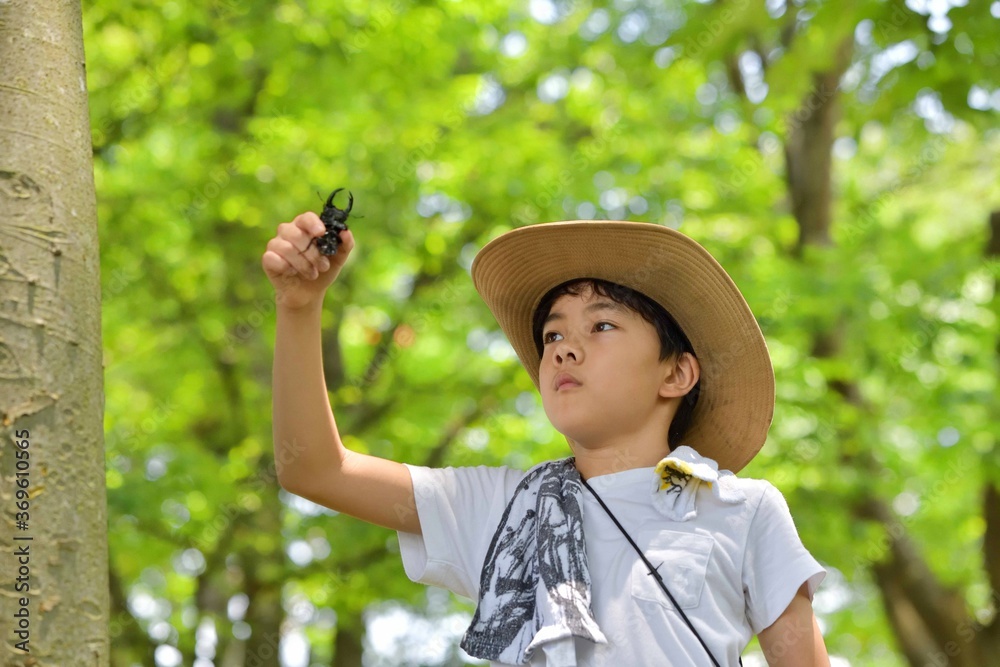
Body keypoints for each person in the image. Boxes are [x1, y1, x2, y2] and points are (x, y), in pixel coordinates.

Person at [262, 214, 830, 666]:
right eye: (553, 334)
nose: (563, 349)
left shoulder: (741, 508)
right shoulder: (502, 510)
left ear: (676, 373)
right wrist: (299, 307)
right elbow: (314, 469)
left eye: (602, 326)